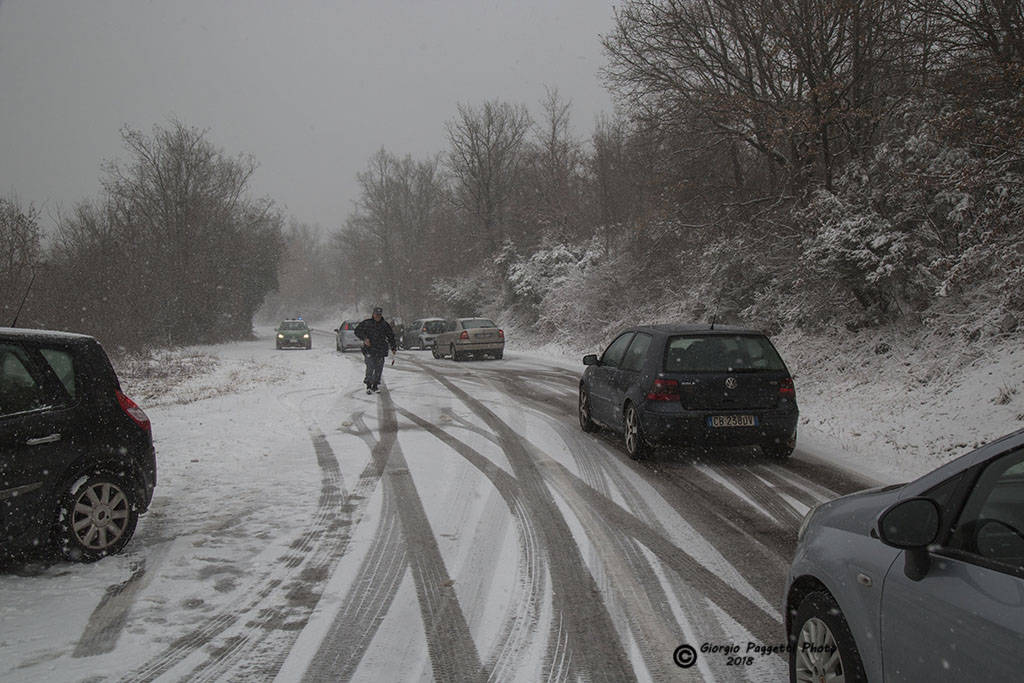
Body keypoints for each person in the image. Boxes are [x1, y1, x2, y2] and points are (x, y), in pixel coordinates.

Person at [354, 307, 397, 393]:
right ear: (373, 314)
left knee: (379, 368)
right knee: (370, 367)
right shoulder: (367, 323)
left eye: (379, 315)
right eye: (376, 315)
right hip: (369, 350)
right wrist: (365, 339)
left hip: (381, 350)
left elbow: (391, 336)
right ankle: (368, 385)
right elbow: (357, 331)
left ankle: (375, 385)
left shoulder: (385, 325)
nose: (378, 316)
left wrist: (393, 347)